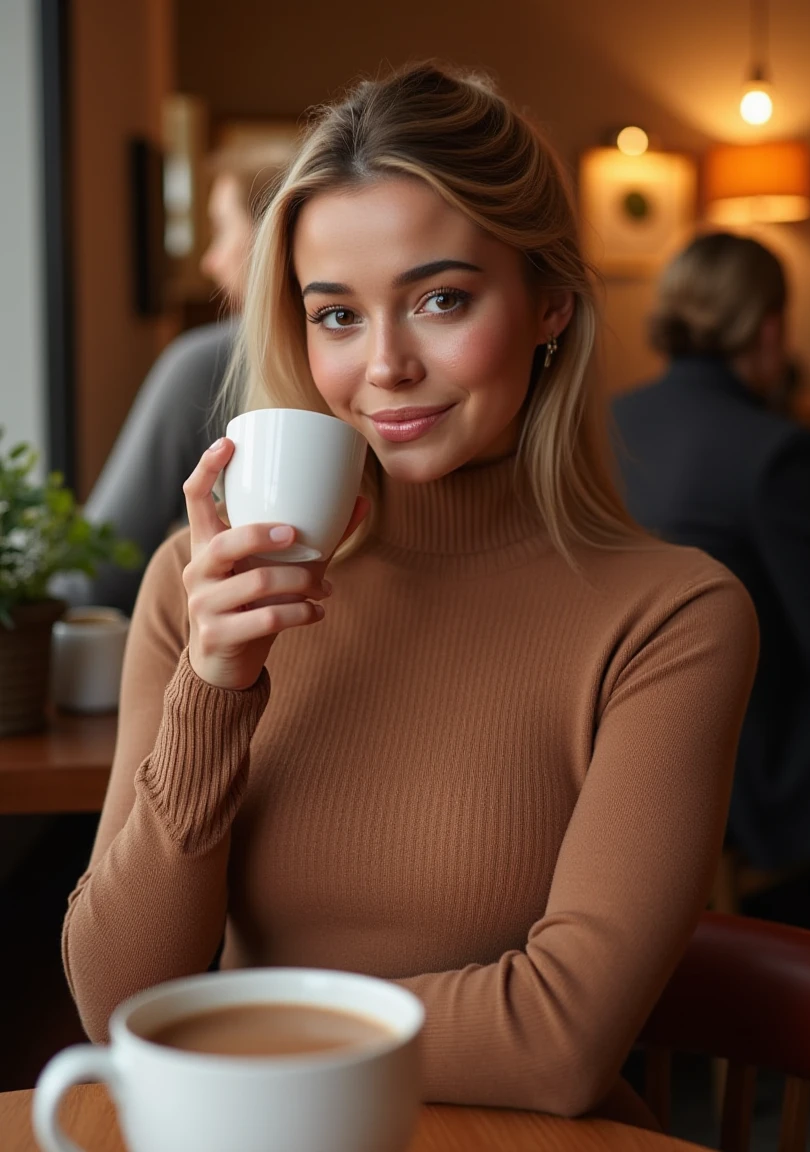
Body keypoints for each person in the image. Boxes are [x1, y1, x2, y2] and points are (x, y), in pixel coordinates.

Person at [62, 64, 757, 1123]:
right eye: (334, 315)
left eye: (439, 300)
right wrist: (214, 689)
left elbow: (557, 1044)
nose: (383, 365)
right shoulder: (200, 590)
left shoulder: (669, 618)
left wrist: (222, 1027)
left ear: (549, 306)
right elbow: (119, 1005)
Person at [612, 231, 810, 875]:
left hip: (631, 757)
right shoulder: (778, 451)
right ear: (770, 328)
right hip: (756, 764)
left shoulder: (608, 422)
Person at [58, 140, 296, 613]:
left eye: (223, 230)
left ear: (271, 239)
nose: (211, 261)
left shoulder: (206, 362)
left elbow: (99, 570)